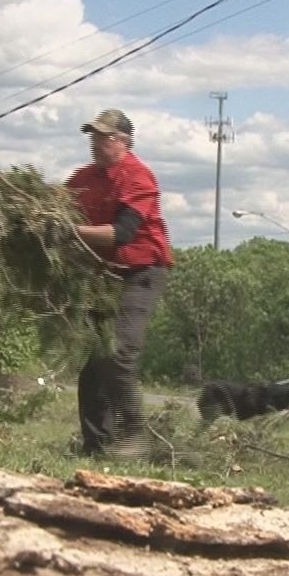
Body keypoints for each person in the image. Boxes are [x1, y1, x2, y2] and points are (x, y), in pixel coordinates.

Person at [65, 109, 172, 458]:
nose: (95, 144)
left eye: (102, 137)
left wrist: (69, 233)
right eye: (92, 137)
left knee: (120, 353)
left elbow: (121, 234)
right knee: (95, 361)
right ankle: (97, 446)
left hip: (141, 270)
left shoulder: (138, 177)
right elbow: (58, 206)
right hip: (104, 275)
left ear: (122, 141)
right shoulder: (83, 178)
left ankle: (135, 437)